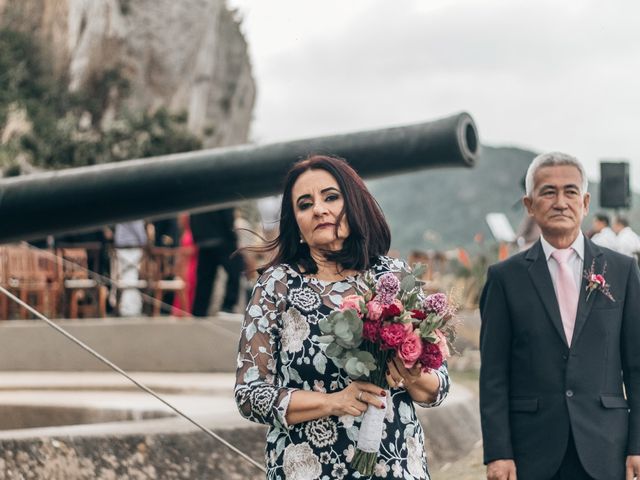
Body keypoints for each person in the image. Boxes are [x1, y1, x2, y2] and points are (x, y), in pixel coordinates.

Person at [234, 155, 449, 479]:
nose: (319, 208)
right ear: (298, 226)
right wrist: (334, 402)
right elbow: (250, 395)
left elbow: (438, 386)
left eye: (330, 197)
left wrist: (408, 373)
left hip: (394, 465)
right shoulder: (277, 285)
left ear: (353, 205)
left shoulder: (392, 277)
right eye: (305, 204)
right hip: (308, 468)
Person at [479, 152, 640, 480]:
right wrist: (499, 453)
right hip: (531, 450)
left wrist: (638, 444)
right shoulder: (504, 278)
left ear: (585, 201)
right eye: (548, 192)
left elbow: (636, 366)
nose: (560, 201)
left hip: (606, 446)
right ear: (529, 204)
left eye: (570, 192)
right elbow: (494, 374)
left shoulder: (622, 271)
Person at [190, 207, 244, 316]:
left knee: (204, 280)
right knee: (235, 271)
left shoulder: (198, 194)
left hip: (204, 241)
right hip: (223, 240)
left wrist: (197, 238)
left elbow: (192, 216)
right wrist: (233, 238)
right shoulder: (220, 193)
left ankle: (199, 311)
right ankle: (228, 306)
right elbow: (227, 214)